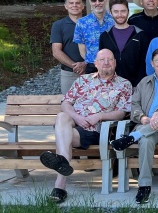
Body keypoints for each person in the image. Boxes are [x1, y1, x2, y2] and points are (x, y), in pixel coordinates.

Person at [40, 49, 132, 204]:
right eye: (102, 59)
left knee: (64, 137)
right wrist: (77, 117)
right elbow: (66, 103)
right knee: (62, 116)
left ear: (115, 63)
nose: (106, 62)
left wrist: (99, 116)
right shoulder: (82, 80)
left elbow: (122, 113)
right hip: (73, 122)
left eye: (110, 59)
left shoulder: (124, 84)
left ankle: (60, 185)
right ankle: (62, 166)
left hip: (96, 130)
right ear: (95, 63)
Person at [110, 47, 158, 204]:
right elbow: (134, 105)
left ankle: (133, 136)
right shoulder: (143, 82)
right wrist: (143, 117)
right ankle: (144, 186)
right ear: (152, 63)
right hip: (150, 129)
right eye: (157, 60)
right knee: (146, 140)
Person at [99, 0, 150, 87]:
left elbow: (144, 63)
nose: (120, 14)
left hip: (136, 86)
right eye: (116, 11)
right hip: (111, 86)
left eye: (123, 11)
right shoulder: (105, 36)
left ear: (128, 12)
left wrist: (138, 85)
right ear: (111, 13)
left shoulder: (140, 35)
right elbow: (102, 62)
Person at [73, 0, 114, 73]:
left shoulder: (114, 21)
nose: (97, 3)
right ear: (89, 2)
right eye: (94, 0)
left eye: (101, 0)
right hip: (92, 67)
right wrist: (93, 63)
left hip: (112, 67)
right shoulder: (82, 23)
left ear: (106, 0)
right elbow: (82, 49)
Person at [51, 0, 86, 94]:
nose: (74, 5)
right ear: (66, 6)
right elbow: (56, 51)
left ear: (82, 6)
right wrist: (76, 67)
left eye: (77, 3)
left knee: (93, 105)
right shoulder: (58, 25)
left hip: (91, 71)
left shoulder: (91, 24)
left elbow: (99, 47)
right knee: (68, 105)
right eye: (71, 3)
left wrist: (85, 64)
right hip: (69, 73)